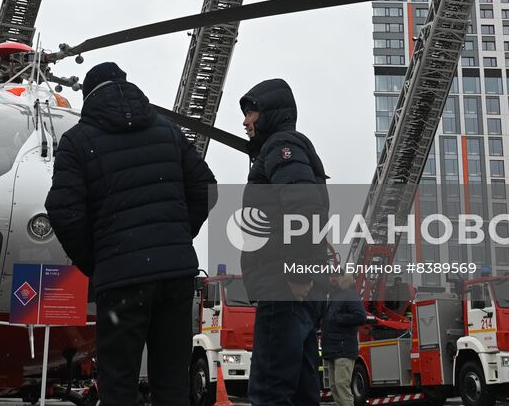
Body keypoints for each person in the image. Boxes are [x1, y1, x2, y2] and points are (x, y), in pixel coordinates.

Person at [45, 62, 217, 406]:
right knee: (172, 380)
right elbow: (207, 189)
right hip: (176, 277)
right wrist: (179, 238)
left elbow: (64, 212)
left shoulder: (77, 142)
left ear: (88, 97)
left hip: (121, 282)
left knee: (118, 383)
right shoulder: (168, 130)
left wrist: (98, 262)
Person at [239, 78, 329, 406]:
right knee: (303, 390)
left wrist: (296, 271)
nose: (246, 120)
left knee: (269, 390)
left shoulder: (281, 146)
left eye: (252, 112)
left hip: (284, 285)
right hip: (299, 286)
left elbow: (302, 208)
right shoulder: (285, 148)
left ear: (272, 114)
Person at [321, 273, 367, 406]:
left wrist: (338, 318)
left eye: (336, 275)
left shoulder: (349, 295)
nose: (333, 278)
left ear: (343, 277)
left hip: (344, 348)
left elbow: (360, 317)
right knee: (334, 387)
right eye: (330, 276)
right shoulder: (332, 297)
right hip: (331, 349)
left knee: (341, 386)